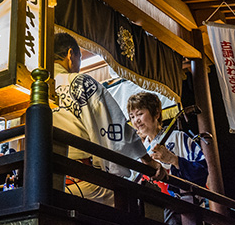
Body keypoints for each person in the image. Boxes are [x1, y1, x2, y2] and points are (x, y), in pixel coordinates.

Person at [52, 32, 167, 206]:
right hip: (83, 180)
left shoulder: (35, 87)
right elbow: (116, 127)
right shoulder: (79, 82)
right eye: (79, 58)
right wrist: (148, 161)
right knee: (131, 206)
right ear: (70, 55)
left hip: (48, 181)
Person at [127, 91, 208, 224]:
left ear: (156, 114)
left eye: (140, 114)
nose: (136, 120)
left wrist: (173, 160)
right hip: (152, 206)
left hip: (179, 206)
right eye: (132, 116)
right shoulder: (142, 149)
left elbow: (202, 170)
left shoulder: (177, 137)